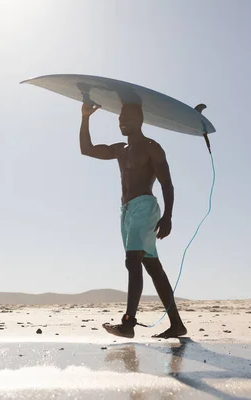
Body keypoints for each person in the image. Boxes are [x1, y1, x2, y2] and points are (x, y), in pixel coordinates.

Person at [79, 102, 187, 339]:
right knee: (152, 267)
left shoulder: (152, 147)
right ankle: (177, 324)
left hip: (145, 207)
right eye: (119, 118)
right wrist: (85, 117)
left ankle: (128, 323)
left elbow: (167, 183)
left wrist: (168, 216)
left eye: (126, 117)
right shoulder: (120, 149)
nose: (121, 121)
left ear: (140, 119)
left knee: (132, 260)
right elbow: (86, 149)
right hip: (126, 212)